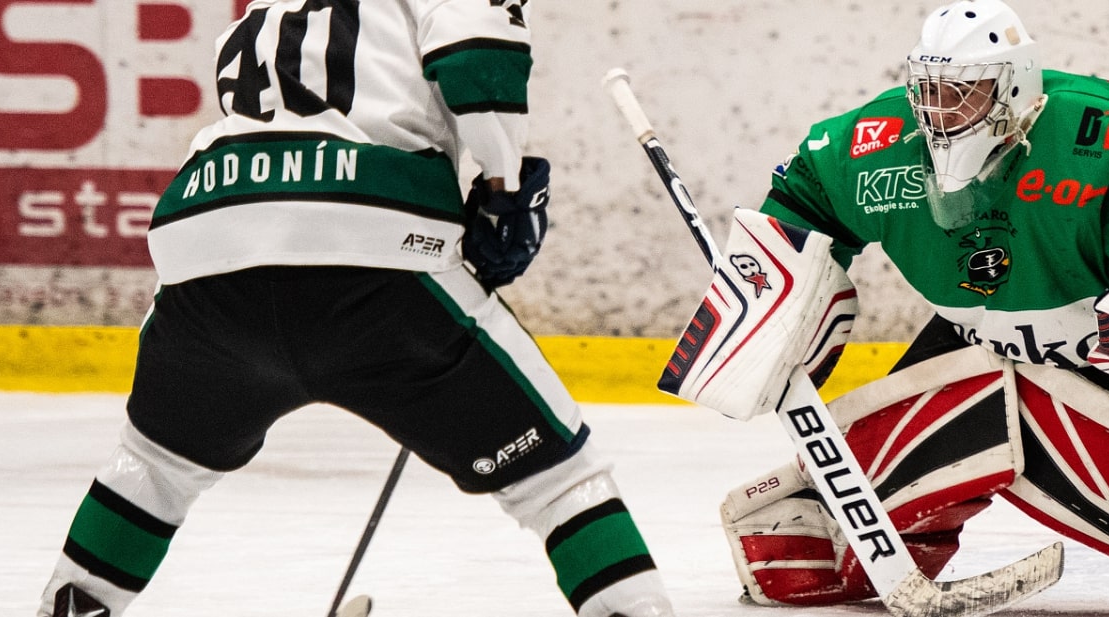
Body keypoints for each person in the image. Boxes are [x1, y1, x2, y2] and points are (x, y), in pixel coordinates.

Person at [656, 1, 1109, 615]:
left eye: (964, 92)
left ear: (1012, 89)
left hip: (1100, 357)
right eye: (928, 91)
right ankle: (843, 544)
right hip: (976, 341)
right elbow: (806, 199)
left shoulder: (1093, 142)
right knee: (799, 536)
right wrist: (772, 282)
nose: (938, 113)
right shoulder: (876, 147)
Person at [37, 2, 674, 616]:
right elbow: (476, 47)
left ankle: (68, 607)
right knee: (557, 476)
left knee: (155, 463)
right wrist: (503, 186)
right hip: (370, 242)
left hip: (206, 239)